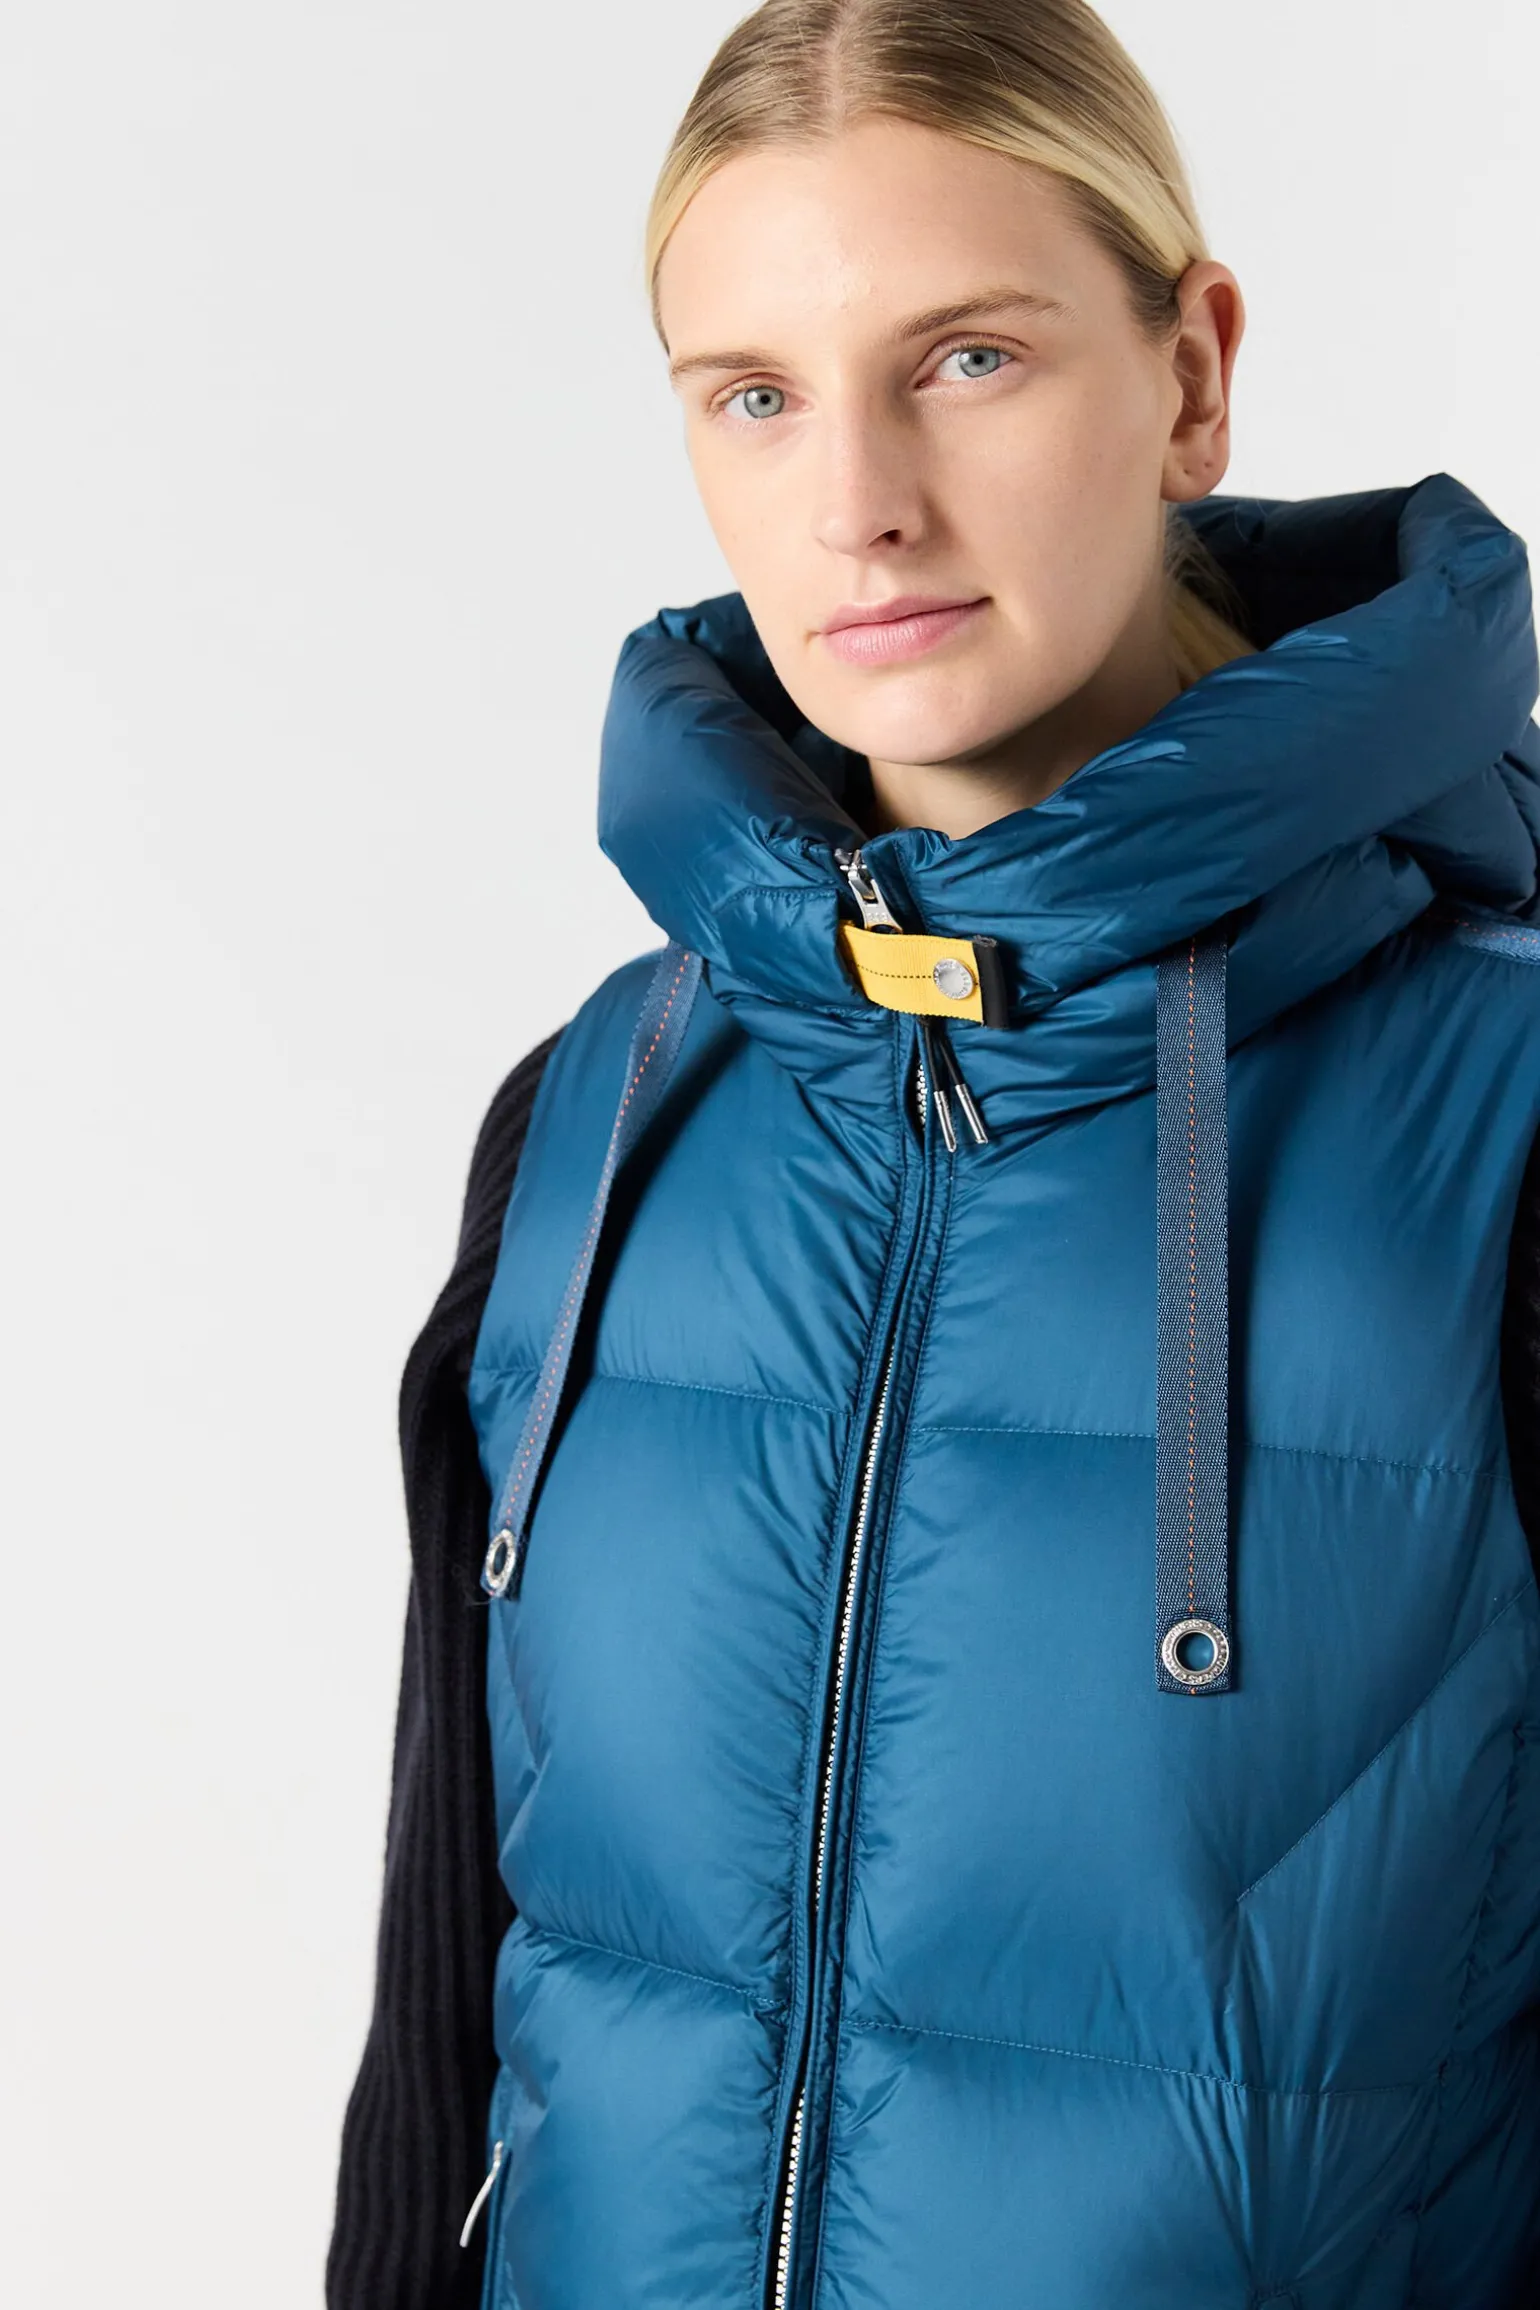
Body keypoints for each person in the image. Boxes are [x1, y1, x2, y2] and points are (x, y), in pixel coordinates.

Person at [327, 3, 1540, 2304]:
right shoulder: (599, 1109)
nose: (856, 502)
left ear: (1188, 373)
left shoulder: (1495, 1124)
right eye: (753, 395)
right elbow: (445, 2027)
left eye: (966, 360)